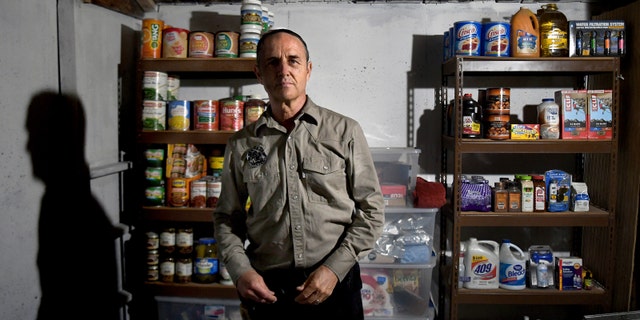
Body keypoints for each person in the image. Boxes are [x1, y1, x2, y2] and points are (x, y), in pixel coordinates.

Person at [213, 29, 385, 320]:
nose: (284, 70)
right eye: (272, 62)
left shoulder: (345, 132)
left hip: (336, 284)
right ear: (258, 72)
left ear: (308, 69)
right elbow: (227, 218)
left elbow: (372, 210)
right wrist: (240, 271)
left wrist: (333, 269)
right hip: (269, 291)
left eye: (293, 60)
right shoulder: (241, 143)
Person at [26, 91, 121, 320]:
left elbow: (69, 301)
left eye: (34, 134)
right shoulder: (66, 198)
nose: (28, 147)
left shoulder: (66, 205)